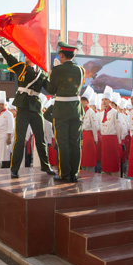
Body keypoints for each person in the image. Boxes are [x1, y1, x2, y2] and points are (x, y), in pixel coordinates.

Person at [0, 43, 55, 178]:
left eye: (28, 55)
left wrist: (55, 73)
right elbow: (9, 58)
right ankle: (14, 168)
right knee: (19, 138)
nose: (26, 57)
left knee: (41, 138)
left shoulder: (42, 74)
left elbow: (51, 89)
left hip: (35, 107)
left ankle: (45, 166)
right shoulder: (21, 68)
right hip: (22, 106)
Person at [46, 41, 85, 182]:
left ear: (61, 55)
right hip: (76, 109)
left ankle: (64, 173)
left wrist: (49, 75)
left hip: (61, 109)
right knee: (75, 142)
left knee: (62, 143)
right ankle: (74, 173)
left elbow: (51, 89)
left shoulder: (57, 70)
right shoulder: (81, 70)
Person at [99, 87, 121, 176]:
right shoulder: (101, 113)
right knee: (105, 161)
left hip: (112, 138)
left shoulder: (114, 112)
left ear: (110, 101)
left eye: (106, 100)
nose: (104, 102)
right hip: (104, 139)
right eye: (103, 100)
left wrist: (119, 140)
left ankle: (115, 179)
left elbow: (118, 127)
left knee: (113, 160)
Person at [80, 87, 99, 171]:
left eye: (84, 101)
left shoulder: (91, 112)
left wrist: (95, 138)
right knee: (82, 158)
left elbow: (95, 126)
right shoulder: (80, 111)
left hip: (89, 136)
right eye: (82, 100)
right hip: (81, 135)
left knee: (89, 157)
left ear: (88, 102)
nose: (82, 102)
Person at [0, 91, 14, 169]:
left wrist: (9, 137)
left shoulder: (8, 114)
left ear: (5, 104)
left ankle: (6, 166)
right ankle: (3, 165)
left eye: (2, 104)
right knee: (1, 152)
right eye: (0, 104)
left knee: (5, 153)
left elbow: (10, 126)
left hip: (5, 135)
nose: (1, 106)